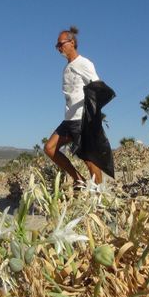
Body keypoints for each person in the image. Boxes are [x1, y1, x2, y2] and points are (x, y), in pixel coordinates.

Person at [44, 26, 105, 186]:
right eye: (57, 46)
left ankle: (99, 193)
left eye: (60, 44)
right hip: (69, 118)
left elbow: (98, 86)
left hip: (81, 118)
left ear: (72, 42)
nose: (58, 48)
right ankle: (80, 181)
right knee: (49, 148)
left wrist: (92, 112)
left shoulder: (83, 63)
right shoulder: (66, 67)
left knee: (88, 157)